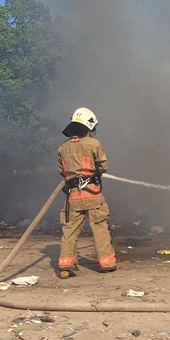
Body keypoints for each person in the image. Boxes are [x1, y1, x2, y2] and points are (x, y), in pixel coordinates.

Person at [57, 107, 116, 278]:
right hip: (92, 194)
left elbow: (62, 171)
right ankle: (107, 263)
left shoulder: (62, 148)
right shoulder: (94, 144)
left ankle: (65, 266)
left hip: (73, 196)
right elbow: (103, 166)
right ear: (89, 126)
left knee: (69, 230)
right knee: (100, 227)